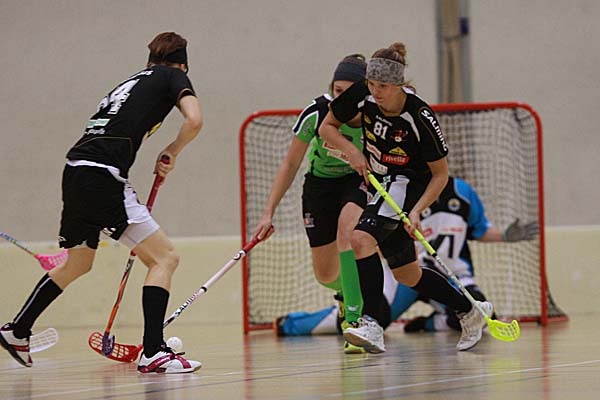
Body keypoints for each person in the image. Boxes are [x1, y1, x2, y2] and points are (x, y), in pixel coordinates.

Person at [0, 32, 203, 374]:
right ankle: (154, 351)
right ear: (182, 64)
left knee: (78, 263)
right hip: (102, 175)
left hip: (75, 170)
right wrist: (173, 150)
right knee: (165, 258)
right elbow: (194, 120)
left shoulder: (129, 83)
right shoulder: (172, 75)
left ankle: (18, 330)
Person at [319, 42, 492, 353]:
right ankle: (469, 309)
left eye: (383, 86)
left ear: (399, 84)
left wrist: (417, 210)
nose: (375, 92)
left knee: (360, 239)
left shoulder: (419, 116)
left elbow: (440, 175)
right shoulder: (363, 94)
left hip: (408, 184)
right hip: (380, 183)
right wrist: (352, 151)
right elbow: (327, 127)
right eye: (372, 84)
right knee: (408, 274)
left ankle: (371, 323)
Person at [273, 176, 539, 336]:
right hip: (406, 273)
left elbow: (479, 229)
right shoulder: (402, 190)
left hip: (453, 275)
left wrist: (506, 235)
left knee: (479, 313)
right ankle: (292, 325)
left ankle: (429, 324)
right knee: (374, 317)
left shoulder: (462, 193)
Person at [253, 54, 369, 354]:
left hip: (357, 181)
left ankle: (355, 323)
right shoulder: (317, 113)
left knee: (347, 232)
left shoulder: (373, 116)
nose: (341, 98)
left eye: (349, 92)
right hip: (320, 186)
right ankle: (346, 293)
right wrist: (268, 212)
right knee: (326, 275)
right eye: (338, 90)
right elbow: (290, 164)